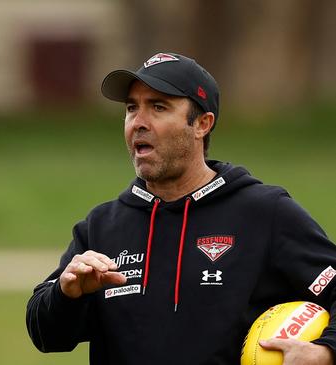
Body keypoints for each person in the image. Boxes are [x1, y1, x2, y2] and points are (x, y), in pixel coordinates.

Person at [26, 52, 336, 364]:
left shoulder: (265, 213)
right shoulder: (102, 227)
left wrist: (326, 350)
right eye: (132, 108)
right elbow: (47, 336)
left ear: (202, 124)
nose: (139, 122)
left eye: (158, 107)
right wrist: (66, 296)